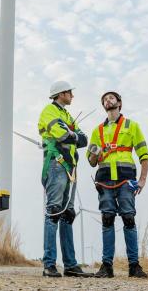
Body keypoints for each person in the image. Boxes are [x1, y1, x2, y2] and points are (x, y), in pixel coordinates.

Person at [87, 91, 148, 279]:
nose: (108, 100)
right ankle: (107, 266)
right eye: (105, 99)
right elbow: (91, 161)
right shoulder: (97, 131)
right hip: (105, 180)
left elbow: (144, 155)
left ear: (119, 103)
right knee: (107, 219)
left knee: (128, 219)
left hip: (125, 180)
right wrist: (95, 153)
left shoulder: (132, 126)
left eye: (111, 98)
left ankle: (134, 266)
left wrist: (142, 180)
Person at [38, 80, 91, 278]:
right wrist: (72, 134)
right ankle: (49, 264)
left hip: (71, 167)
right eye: (70, 92)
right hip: (56, 164)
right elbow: (61, 135)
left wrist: (72, 135)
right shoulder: (49, 111)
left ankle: (70, 265)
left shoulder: (67, 115)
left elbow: (83, 139)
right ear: (61, 94)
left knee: (68, 214)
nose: (72, 96)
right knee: (53, 211)